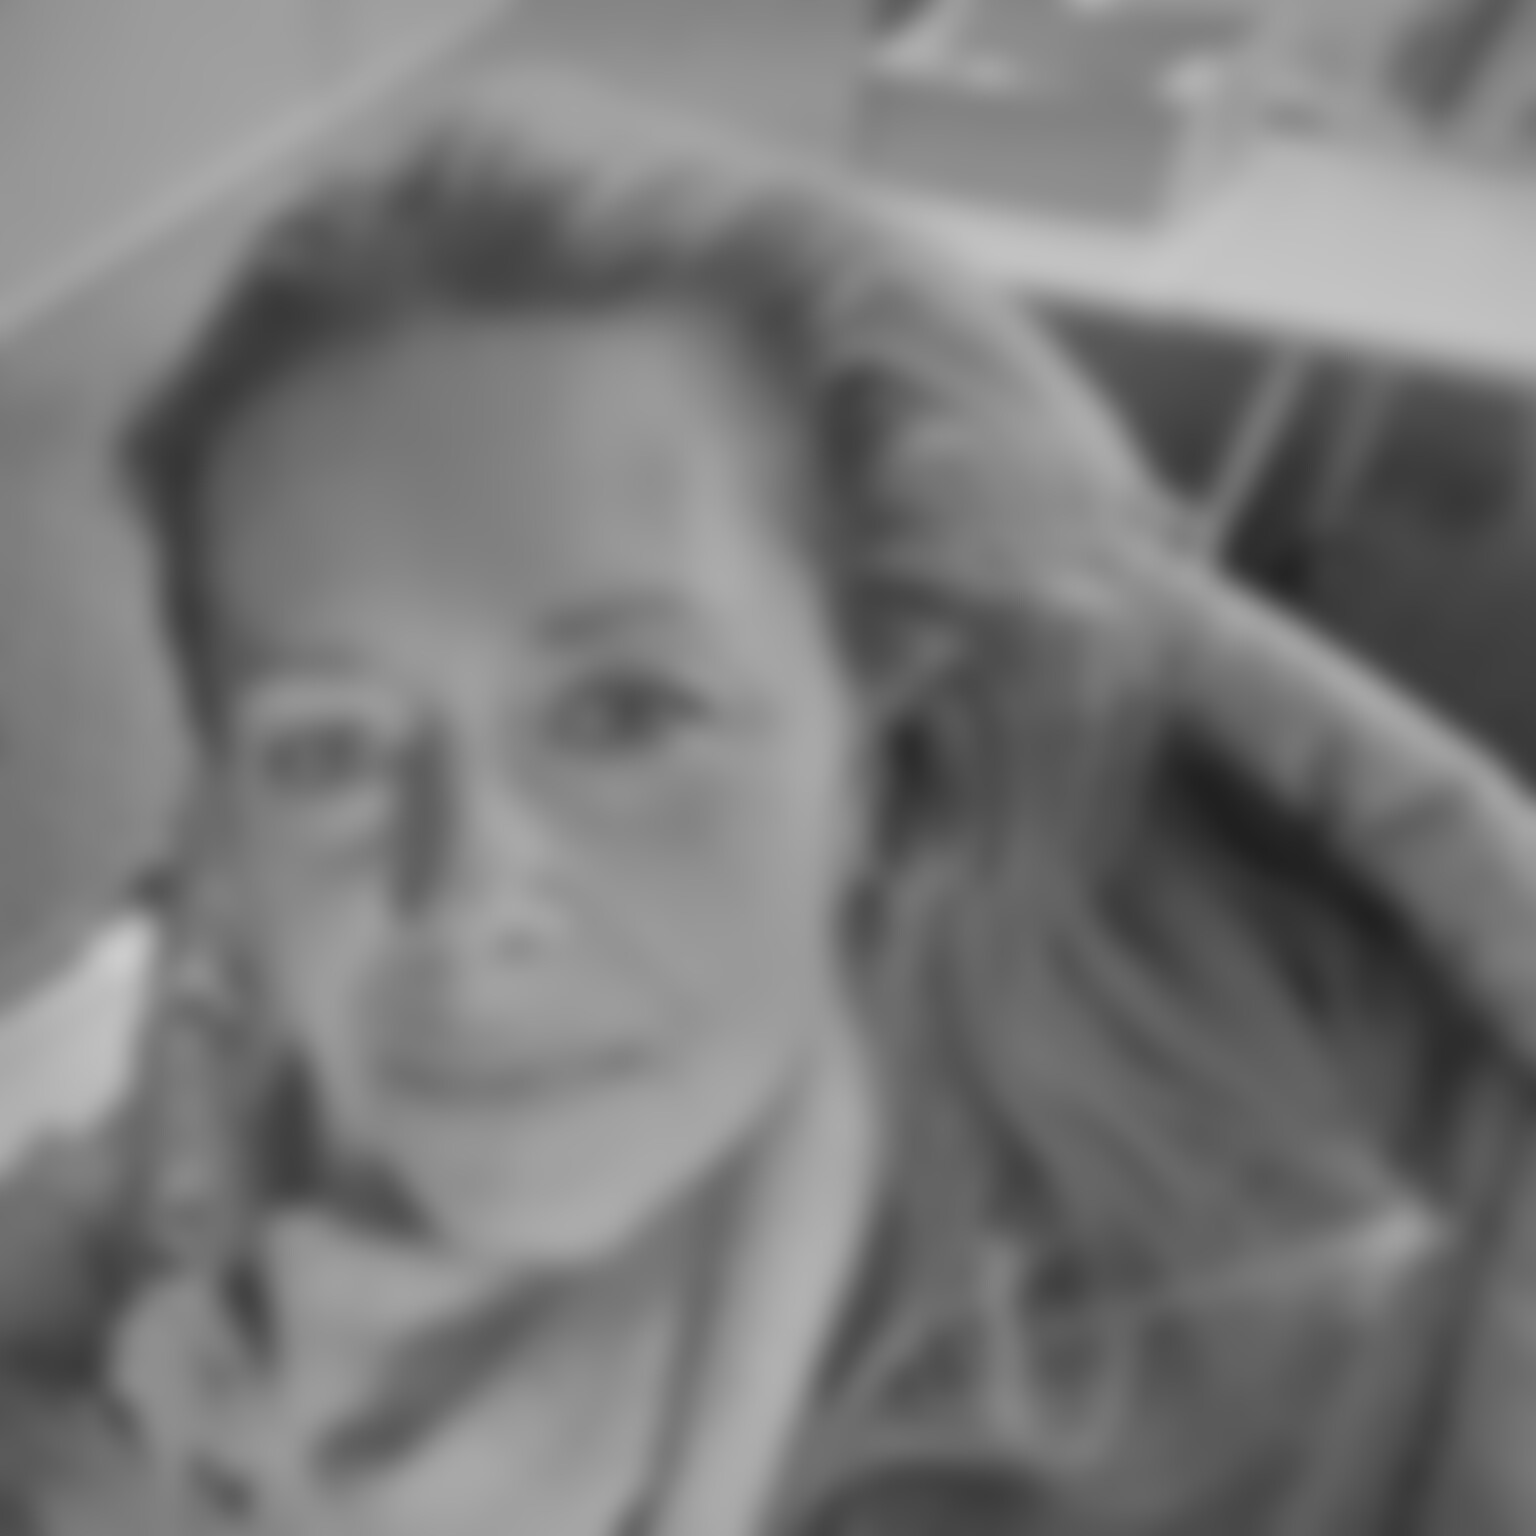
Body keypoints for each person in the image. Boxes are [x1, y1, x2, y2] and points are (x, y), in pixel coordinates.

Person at [3, 74, 1536, 1536]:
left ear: (886, 712)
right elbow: (105, 1238)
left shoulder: (1297, 1375)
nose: (455, 896)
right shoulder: (266, 1000)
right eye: (332, 747)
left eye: (622, 716)